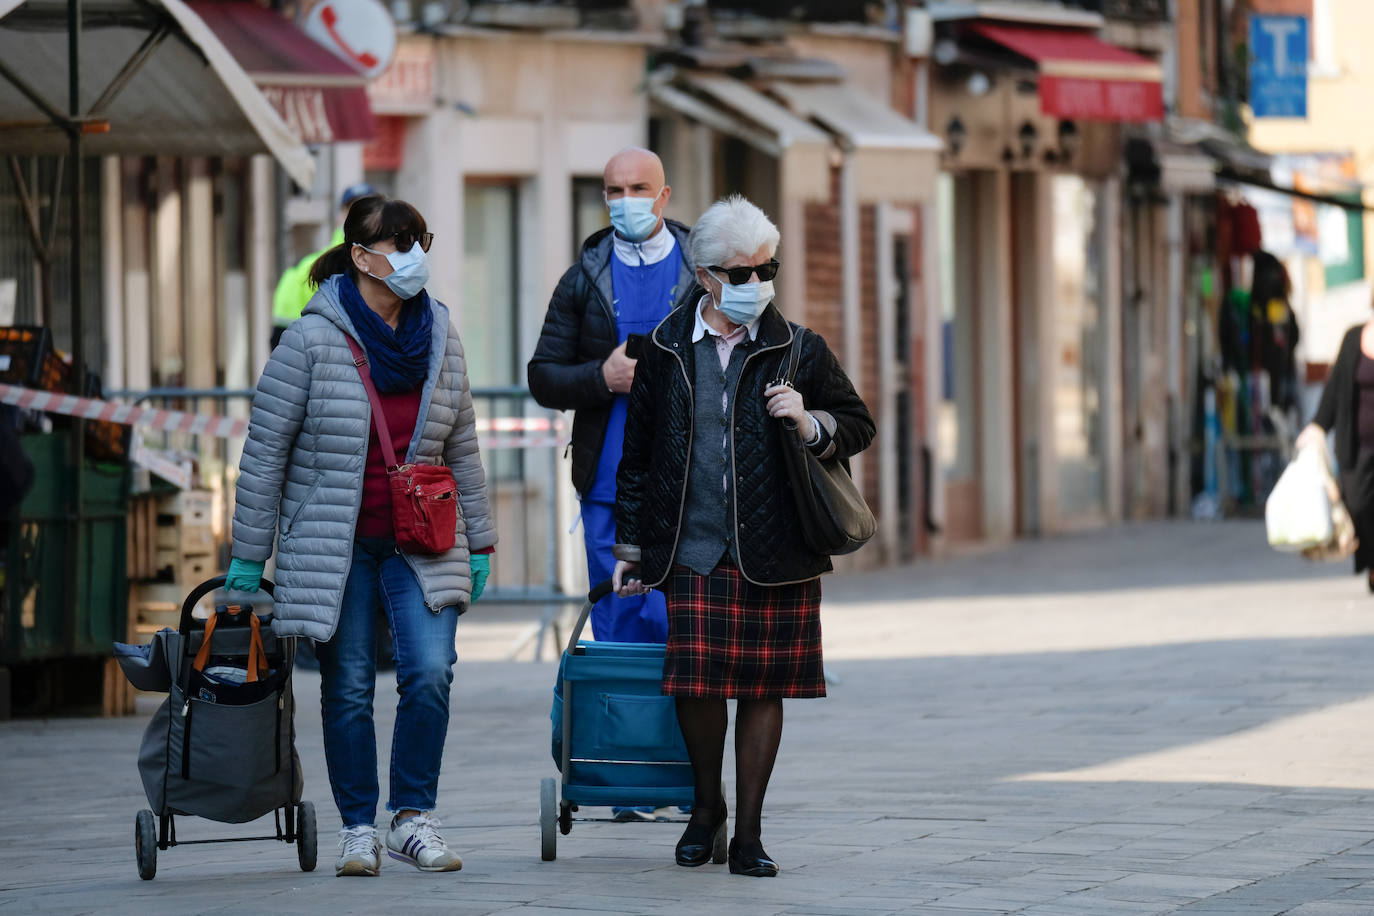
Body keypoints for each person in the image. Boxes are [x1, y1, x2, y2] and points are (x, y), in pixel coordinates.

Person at [225, 194, 496, 878]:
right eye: (397, 244)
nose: (412, 257)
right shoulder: (310, 341)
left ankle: (412, 818)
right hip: (334, 546)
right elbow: (265, 451)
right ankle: (357, 827)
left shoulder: (440, 333)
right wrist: (249, 556)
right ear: (361, 257)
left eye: (418, 242)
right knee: (347, 687)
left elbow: (462, 445)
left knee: (429, 672)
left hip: (423, 542)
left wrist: (483, 541)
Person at [611, 194, 875, 877]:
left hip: (777, 548)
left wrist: (810, 421)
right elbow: (636, 459)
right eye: (740, 273)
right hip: (692, 546)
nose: (755, 283)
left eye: (766, 269)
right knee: (697, 686)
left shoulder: (798, 347)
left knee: (764, 688)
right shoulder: (665, 348)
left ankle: (749, 834)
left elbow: (857, 423)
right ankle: (707, 809)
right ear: (705, 276)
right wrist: (631, 547)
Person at [527, 147, 695, 821]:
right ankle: (628, 775)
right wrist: (602, 377)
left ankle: (686, 772)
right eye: (613, 190)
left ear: (664, 195)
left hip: (691, 483)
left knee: (683, 620)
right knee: (623, 618)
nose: (624, 201)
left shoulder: (705, 270)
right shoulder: (583, 278)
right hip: (606, 483)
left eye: (638, 188)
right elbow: (543, 375)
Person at [1296, 308, 1374, 590]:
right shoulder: (1354, 338)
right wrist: (1318, 425)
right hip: (1355, 445)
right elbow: (1336, 386)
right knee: (1358, 505)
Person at [271, 182, 378, 349]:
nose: (361, 218)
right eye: (353, 210)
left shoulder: (394, 264)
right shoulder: (308, 268)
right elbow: (283, 340)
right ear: (340, 217)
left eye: (369, 211)